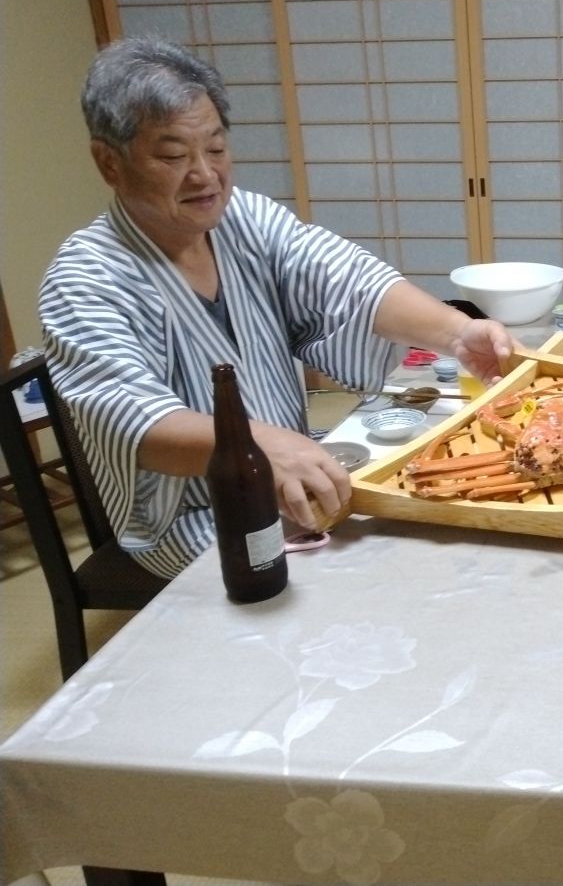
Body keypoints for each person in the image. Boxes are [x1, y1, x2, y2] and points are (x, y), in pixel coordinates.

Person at [39, 36, 515, 580]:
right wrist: (260, 446)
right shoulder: (86, 278)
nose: (204, 175)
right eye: (173, 156)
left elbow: (348, 279)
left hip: (294, 469)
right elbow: (132, 418)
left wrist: (458, 333)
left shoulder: (243, 218)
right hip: (195, 515)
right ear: (109, 163)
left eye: (216, 149)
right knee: (345, 590)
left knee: (435, 543)